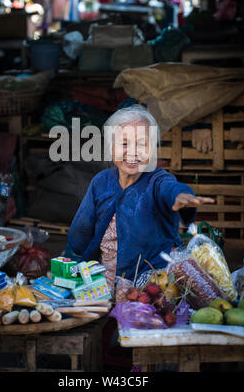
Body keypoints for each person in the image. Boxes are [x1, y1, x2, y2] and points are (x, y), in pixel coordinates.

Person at [65, 105, 214, 293]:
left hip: (148, 280)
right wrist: (73, 257)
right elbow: (81, 229)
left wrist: (181, 196)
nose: (133, 152)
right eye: (124, 144)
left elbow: (170, 188)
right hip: (103, 277)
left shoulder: (157, 180)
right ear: (112, 148)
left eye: (142, 144)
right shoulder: (101, 181)